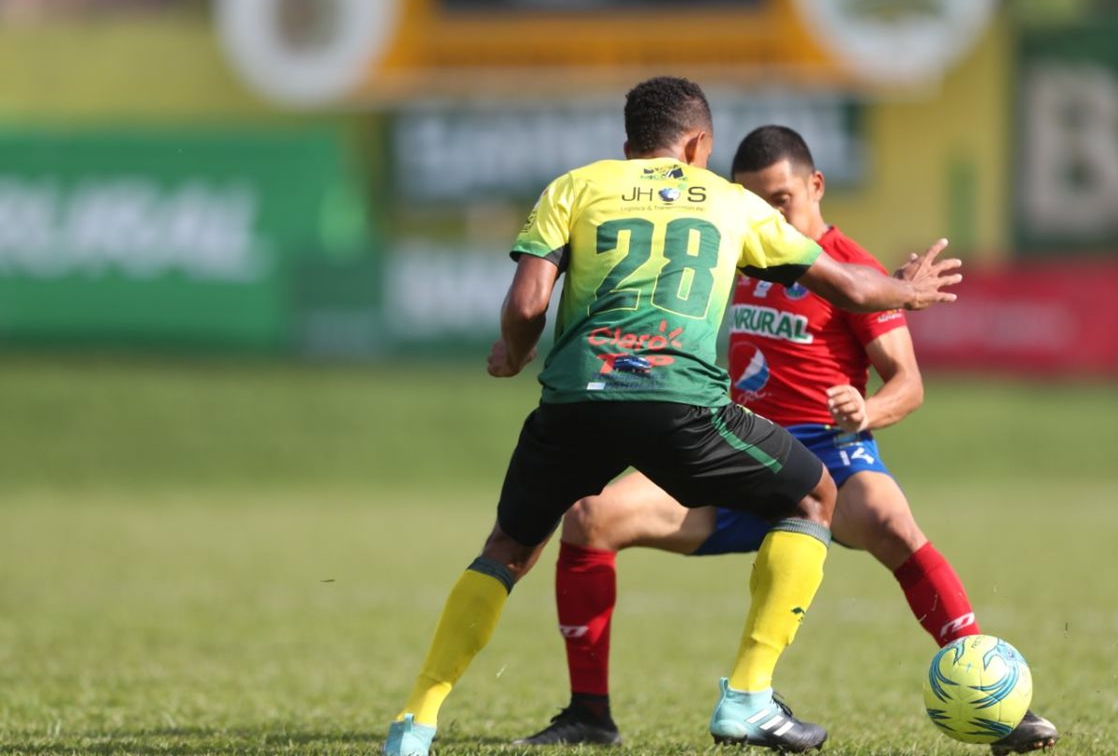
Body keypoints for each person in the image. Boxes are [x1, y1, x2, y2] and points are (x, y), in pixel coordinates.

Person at [382, 79, 961, 756]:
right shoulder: (728, 202)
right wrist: (908, 291)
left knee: (506, 550)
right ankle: (748, 697)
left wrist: (513, 354)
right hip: (678, 402)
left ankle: (415, 725)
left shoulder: (575, 187)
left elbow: (527, 305)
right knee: (812, 497)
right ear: (698, 144)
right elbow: (852, 286)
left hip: (575, 400)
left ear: (629, 144)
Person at [513, 125, 1059, 756]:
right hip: (733, 448)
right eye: (755, 201)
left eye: (781, 200)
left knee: (891, 521)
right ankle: (589, 714)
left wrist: (867, 410)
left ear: (815, 186)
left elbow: (908, 383)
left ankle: (997, 704)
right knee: (590, 518)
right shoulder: (731, 247)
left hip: (827, 451)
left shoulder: (849, 268)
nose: (768, 215)